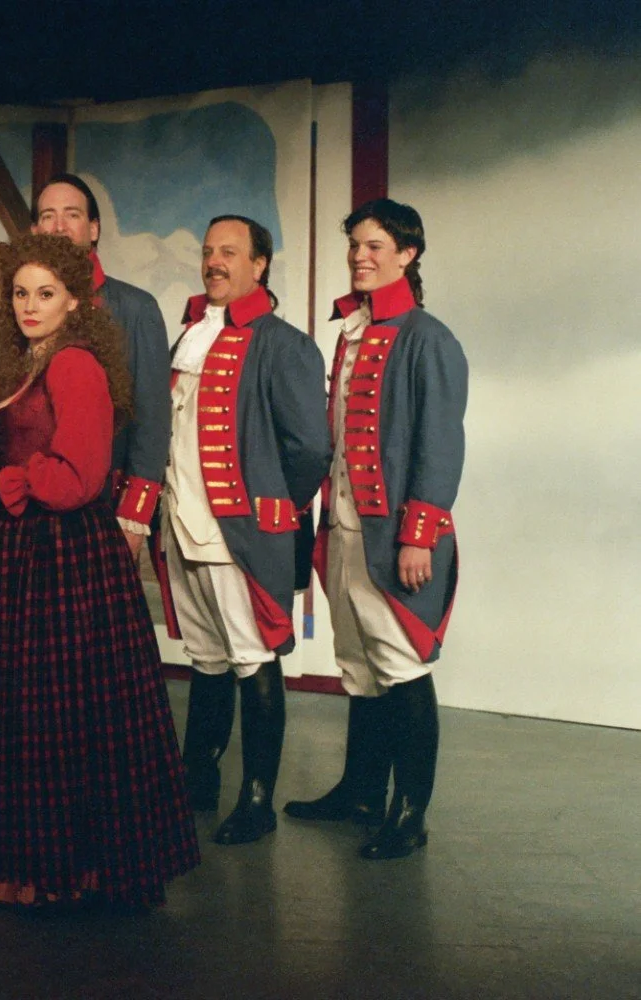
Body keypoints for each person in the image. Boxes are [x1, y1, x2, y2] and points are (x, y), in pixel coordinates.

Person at [0, 233, 200, 909]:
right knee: (24, 715)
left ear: (76, 301)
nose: (31, 306)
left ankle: (71, 867)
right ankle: (31, 858)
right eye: (21, 294)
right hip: (20, 554)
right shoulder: (25, 362)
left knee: (63, 718)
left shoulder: (76, 365)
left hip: (64, 559)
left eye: (46, 294)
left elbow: (79, 478)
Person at [284, 199, 466, 860]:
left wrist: (420, 533)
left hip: (395, 537)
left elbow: (441, 447)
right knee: (360, 664)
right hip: (347, 529)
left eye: (375, 246)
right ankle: (361, 791)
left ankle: (410, 813)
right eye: (355, 245)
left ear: (408, 254)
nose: (362, 256)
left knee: (403, 664)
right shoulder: (353, 332)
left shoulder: (427, 336)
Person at [158, 215, 331, 846]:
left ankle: (256, 797)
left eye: (229, 253)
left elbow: (311, 448)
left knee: (252, 659)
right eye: (208, 252)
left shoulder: (283, 344)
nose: (214, 262)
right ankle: (196, 779)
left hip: (236, 532)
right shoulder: (189, 335)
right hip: (179, 527)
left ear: (259, 264)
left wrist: (270, 509)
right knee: (206, 658)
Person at [32, 174, 170, 552]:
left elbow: (152, 420)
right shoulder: (19, 305)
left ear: (93, 229)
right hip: (25, 507)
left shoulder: (137, 309)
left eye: (71, 215)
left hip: (106, 508)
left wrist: (136, 516)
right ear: (35, 229)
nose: (59, 226)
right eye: (48, 216)